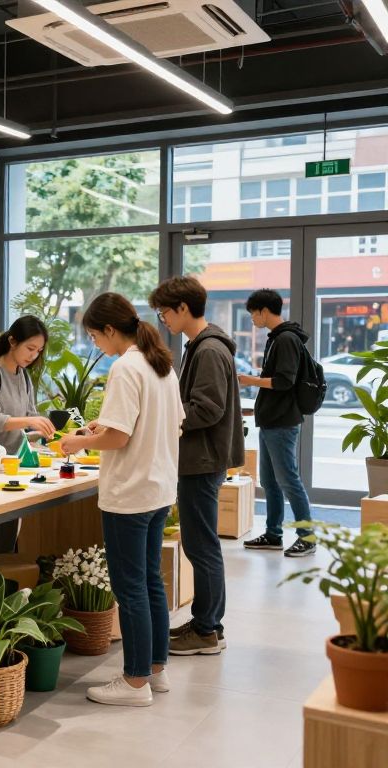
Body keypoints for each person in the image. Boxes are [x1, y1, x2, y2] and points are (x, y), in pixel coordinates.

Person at [59, 293, 183, 707]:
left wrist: (79, 441)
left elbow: (119, 438)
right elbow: (169, 423)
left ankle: (133, 683)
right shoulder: (160, 363)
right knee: (150, 583)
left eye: (95, 335)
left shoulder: (126, 367)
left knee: (130, 588)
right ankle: (155, 670)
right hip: (159, 487)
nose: (95, 343)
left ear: (110, 330)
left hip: (130, 493)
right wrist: (103, 427)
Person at [150, 276, 243, 656]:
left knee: (202, 546)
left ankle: (207, 629)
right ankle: (206, 622)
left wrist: (165, 415)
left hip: (202, 461)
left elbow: (207, 408)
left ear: (184, 308)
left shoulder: (208, 350)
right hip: (201, 458)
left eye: (165, 312)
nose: (163, 320)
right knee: (200, 544)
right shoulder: (202, 346)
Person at [0, 315, 58, 558]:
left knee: (7, 539)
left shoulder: (23, 375)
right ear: (12, 341)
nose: (33, 356)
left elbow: (27, 419)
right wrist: (30, 421)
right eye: (30, 348)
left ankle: (2, 594)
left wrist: (47, 432)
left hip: (14, 467)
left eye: (38, 351)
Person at [238, 289, 316, 557]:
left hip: (282, 421)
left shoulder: (285, 339)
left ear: (263, 311)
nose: (252, 320)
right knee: (270, 482)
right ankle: (273, 534)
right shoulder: (278, 338)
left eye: (252, 314)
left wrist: (250, 380)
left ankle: (308, 537)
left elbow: (284, 381)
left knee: (289, 481)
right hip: (271, 420)